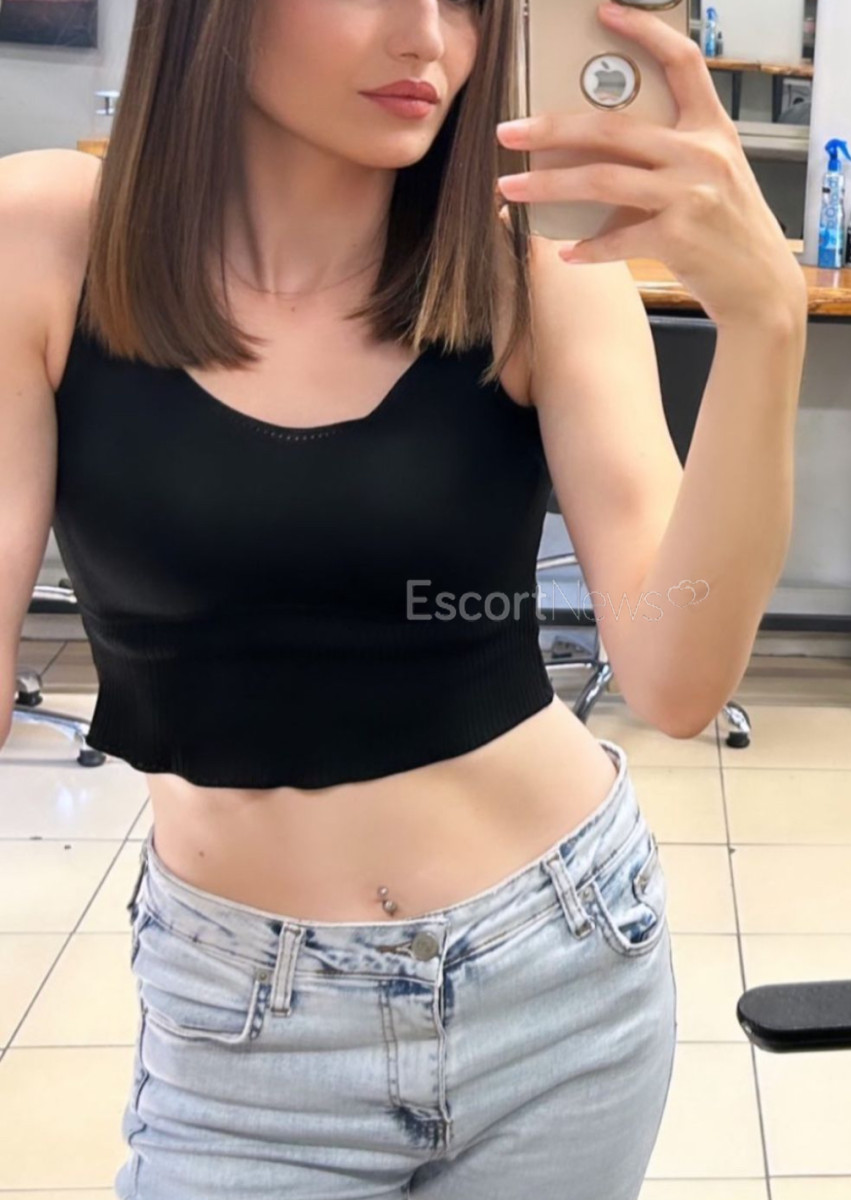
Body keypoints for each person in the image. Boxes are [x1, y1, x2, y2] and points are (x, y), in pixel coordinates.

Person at [0, 0, 807, 1195]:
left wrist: (766, 324)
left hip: (561, 969)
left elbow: (678, 677)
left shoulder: (533, 268)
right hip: (245, 1029)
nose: (429, 36)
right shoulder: (44, 242)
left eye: (468, 1)